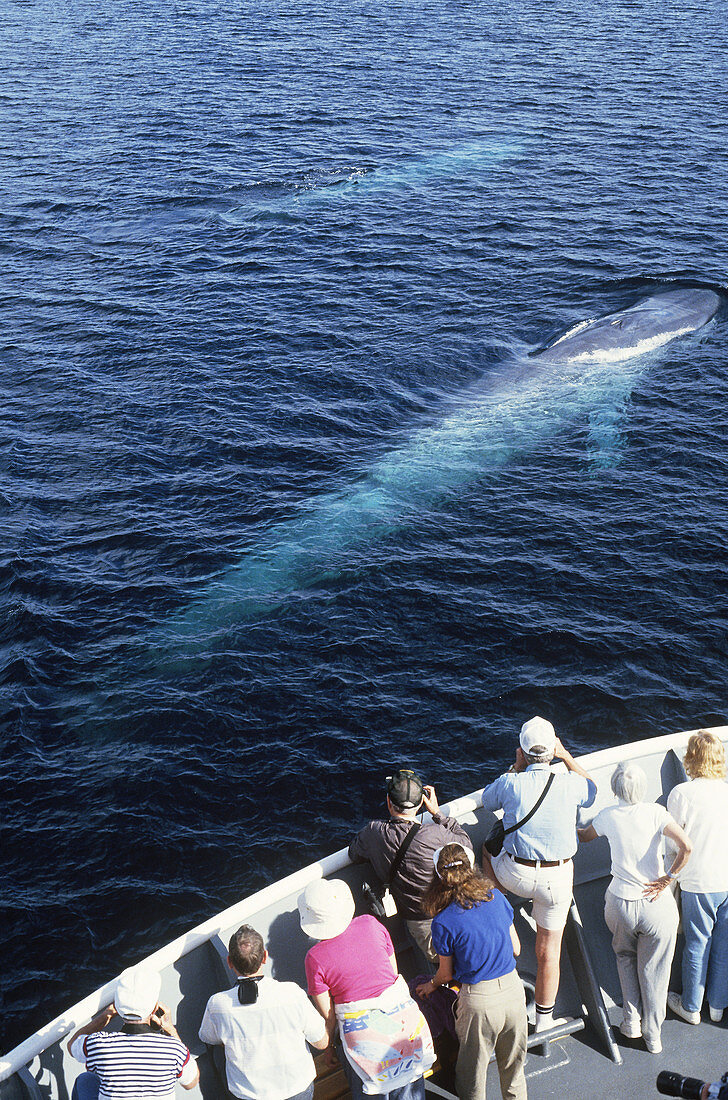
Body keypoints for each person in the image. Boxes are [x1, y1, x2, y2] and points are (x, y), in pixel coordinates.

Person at [481, 716, 597, 1031]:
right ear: (553, 749)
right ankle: (544, 1021)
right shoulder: (572, 783)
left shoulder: (511, 782)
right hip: (556, 880)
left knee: (486, 850)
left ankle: (495, 903)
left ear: (522, 750)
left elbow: (487, 800)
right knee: (549, 951)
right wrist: (568, 756)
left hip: (514, 875)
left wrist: (515, 768)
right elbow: (593, 791)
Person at [578, 762, 692, 1054]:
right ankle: (653, 1037)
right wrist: (669, 877)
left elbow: (584, 836)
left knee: (625, 957)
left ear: (615, 788)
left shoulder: (608, 816)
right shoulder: (656, 813)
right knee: (654, 970)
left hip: (620, 904)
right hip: (656, 903)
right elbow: (686, 847)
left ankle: (631, 1022)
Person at [298, 877, 435, 1100]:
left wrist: (330, 1048)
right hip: (406, 1028)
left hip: (366, 1043)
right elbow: (392, 975)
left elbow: (328, 1015)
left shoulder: (314, 958)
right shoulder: (370, 923)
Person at [417, 844, 528, 1100]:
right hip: (513, 991)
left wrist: (430, 985)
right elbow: (517, 949)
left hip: (480, 1002)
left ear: (438, 877)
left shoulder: (443, 921)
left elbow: (445, 975)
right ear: (471, 868)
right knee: (514, 1072)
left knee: (472, 1077)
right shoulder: (497, 897)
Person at [349, 766, 473, 963]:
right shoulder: (436, 833)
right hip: (452, 911)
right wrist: (439, 814)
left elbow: (354, 854)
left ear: (389, 802)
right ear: (420, 804)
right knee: (462, 958)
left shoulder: (374, 832)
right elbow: (465, 844)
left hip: (419, 920)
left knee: (440, 963)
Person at [198, 923, 328, 1100]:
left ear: (229, 962)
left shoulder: (217, 1004)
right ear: (265, 957)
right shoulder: (292, 993)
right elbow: (321, 1043)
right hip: (297, 1089)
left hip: (249, 1095)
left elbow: (208, 1037)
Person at [666, 730, 728, 1025]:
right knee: (724, 945)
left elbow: (672, 844)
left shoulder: (682, 794)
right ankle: (717, 1006)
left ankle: (691, 1007)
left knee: (697, 944)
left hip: (698, 884)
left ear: (691, 759)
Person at [67, 965, 199, 1100]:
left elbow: (72, 1046)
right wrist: (170, 1028)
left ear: (118, 1008)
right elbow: (191, 1082)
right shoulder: (174, 1049)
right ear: (155, 1008)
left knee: (85, 1080)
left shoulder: (98, 1044)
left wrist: (105, 1016)